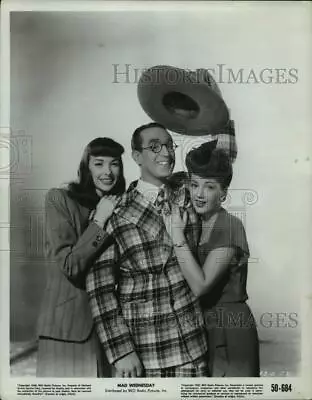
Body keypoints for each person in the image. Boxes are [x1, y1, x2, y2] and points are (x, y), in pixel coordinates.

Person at [86, 122, 209, 378]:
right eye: (154, 147)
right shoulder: (113, 212)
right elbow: (100, 290)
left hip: (196, 344)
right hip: (148, 349)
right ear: (136, 157)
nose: (166, 153)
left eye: (169, 145)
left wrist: (216, 116)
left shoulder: (190, 193)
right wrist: (121, 351)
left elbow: (221, 161)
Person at [167, 140, 260, 377]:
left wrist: (176, 235)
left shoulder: (229, 226)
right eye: (194, 184)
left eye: (209, 187)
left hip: (230, 327)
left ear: (224, 193)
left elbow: (201, 285)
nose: (199, 194)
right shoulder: (198, 223)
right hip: (205, 326)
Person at [36, 137, 126, 377]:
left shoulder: (120, 207)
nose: (107, 172)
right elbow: (70, 265)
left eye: (114, 164)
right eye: (99, 163)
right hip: (67, 331)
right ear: (86, 167)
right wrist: (99, 221)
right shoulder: (59, 199)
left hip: (109, 333)